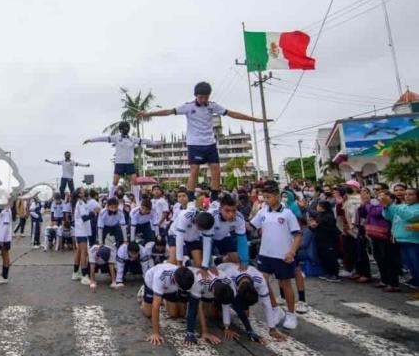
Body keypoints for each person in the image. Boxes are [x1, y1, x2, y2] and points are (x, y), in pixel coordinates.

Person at [138, 81, 265, 202]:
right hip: (195, 144)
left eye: (206, 97)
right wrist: (148, 114)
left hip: (210, 143)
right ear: (195, 95)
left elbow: (232, 113)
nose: (203, 100)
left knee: (216, 170)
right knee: (195, 170)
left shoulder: (213, 106)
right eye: (201, 97)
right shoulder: (188, 107)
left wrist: (255, 120)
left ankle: (214, 199)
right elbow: (168, 111)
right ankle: (190, 199)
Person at [251, 182, 302, 331]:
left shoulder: (287, 214)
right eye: (264, 197)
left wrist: (291, 251)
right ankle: (275, 309)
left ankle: (291, 314)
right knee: (262, 282)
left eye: (268, 197)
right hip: (265, 253)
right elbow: (251, 226)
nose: (266, 200)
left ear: (277, 196)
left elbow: (298, 235)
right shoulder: (262, 212)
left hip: (282, 255)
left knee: (285, 284)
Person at [83, 121, 158, 203]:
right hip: (119, 163)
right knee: (115, 183)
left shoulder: (133, 139)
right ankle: (109, 200)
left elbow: (144, 140)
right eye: (124, 128)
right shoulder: (116, 137)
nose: (126, 129)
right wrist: (91, 140)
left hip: (130, 163)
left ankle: (138, 202)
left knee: (135, 182)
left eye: (127, 127)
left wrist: (155, 143)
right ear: (121, 129)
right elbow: (103, 139)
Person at [139, 259, 195, 346]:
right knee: (148, 313)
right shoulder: (161, 276)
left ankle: (163, 298)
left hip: (170, 289)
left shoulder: (187, 276)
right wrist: (156, 333)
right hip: (151, 283)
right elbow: (155, 306)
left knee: (177, 314)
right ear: (176, 280)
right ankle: (142, 294)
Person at [381, 187, 419, 300]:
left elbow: (410, 216)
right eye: (406, 194)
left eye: (411, 194)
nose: (407, 196)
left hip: (414, 241)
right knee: (411, 267)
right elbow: (388, 216)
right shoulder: (401, 206)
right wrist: (386, 206)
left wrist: (392, 206)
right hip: (401, 240)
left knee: (417, 266)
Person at [362, 190, 401, 292]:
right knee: (379, 259)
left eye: (382, 196)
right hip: (375, 234)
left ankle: (393, 283)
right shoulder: (376, 205)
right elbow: (366, 214)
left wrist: (368, 203)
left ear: (390, 198)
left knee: (388, 259)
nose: (379, 198)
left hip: (386, 235)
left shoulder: (389, 207)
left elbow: (376, 213)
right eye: (378, 196)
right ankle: (384, 280)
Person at [308, 200, 341, 282]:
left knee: (331, 257)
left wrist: (319, 226)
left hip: (329, 240)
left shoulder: (329, 216)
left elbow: (331, 229)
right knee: (323, 256)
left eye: (319, 206)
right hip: (320, 239)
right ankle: (328, 272)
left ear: (323, 207)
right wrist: (313, 226)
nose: (317, 207)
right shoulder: (320, 215)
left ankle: (334, 274)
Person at [72, 187, 92, 282]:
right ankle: (84, 276)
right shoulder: (80, 203)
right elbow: (84, 217)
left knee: (79, 252)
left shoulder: (81, 202)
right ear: (80, 194)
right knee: (84, 252)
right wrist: (93, 213)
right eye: (83, 191)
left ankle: (75, 273)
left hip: (80, 231)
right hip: (82, 231)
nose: (85, 191)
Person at [0, 204, 13, 284]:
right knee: (4, 255)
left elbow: (5, 225)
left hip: (4, 238)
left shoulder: (6, 210)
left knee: (5, 256)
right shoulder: (5, 209)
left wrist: (1, 240)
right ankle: (4, 274)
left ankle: (4, 277)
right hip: (4, 237)